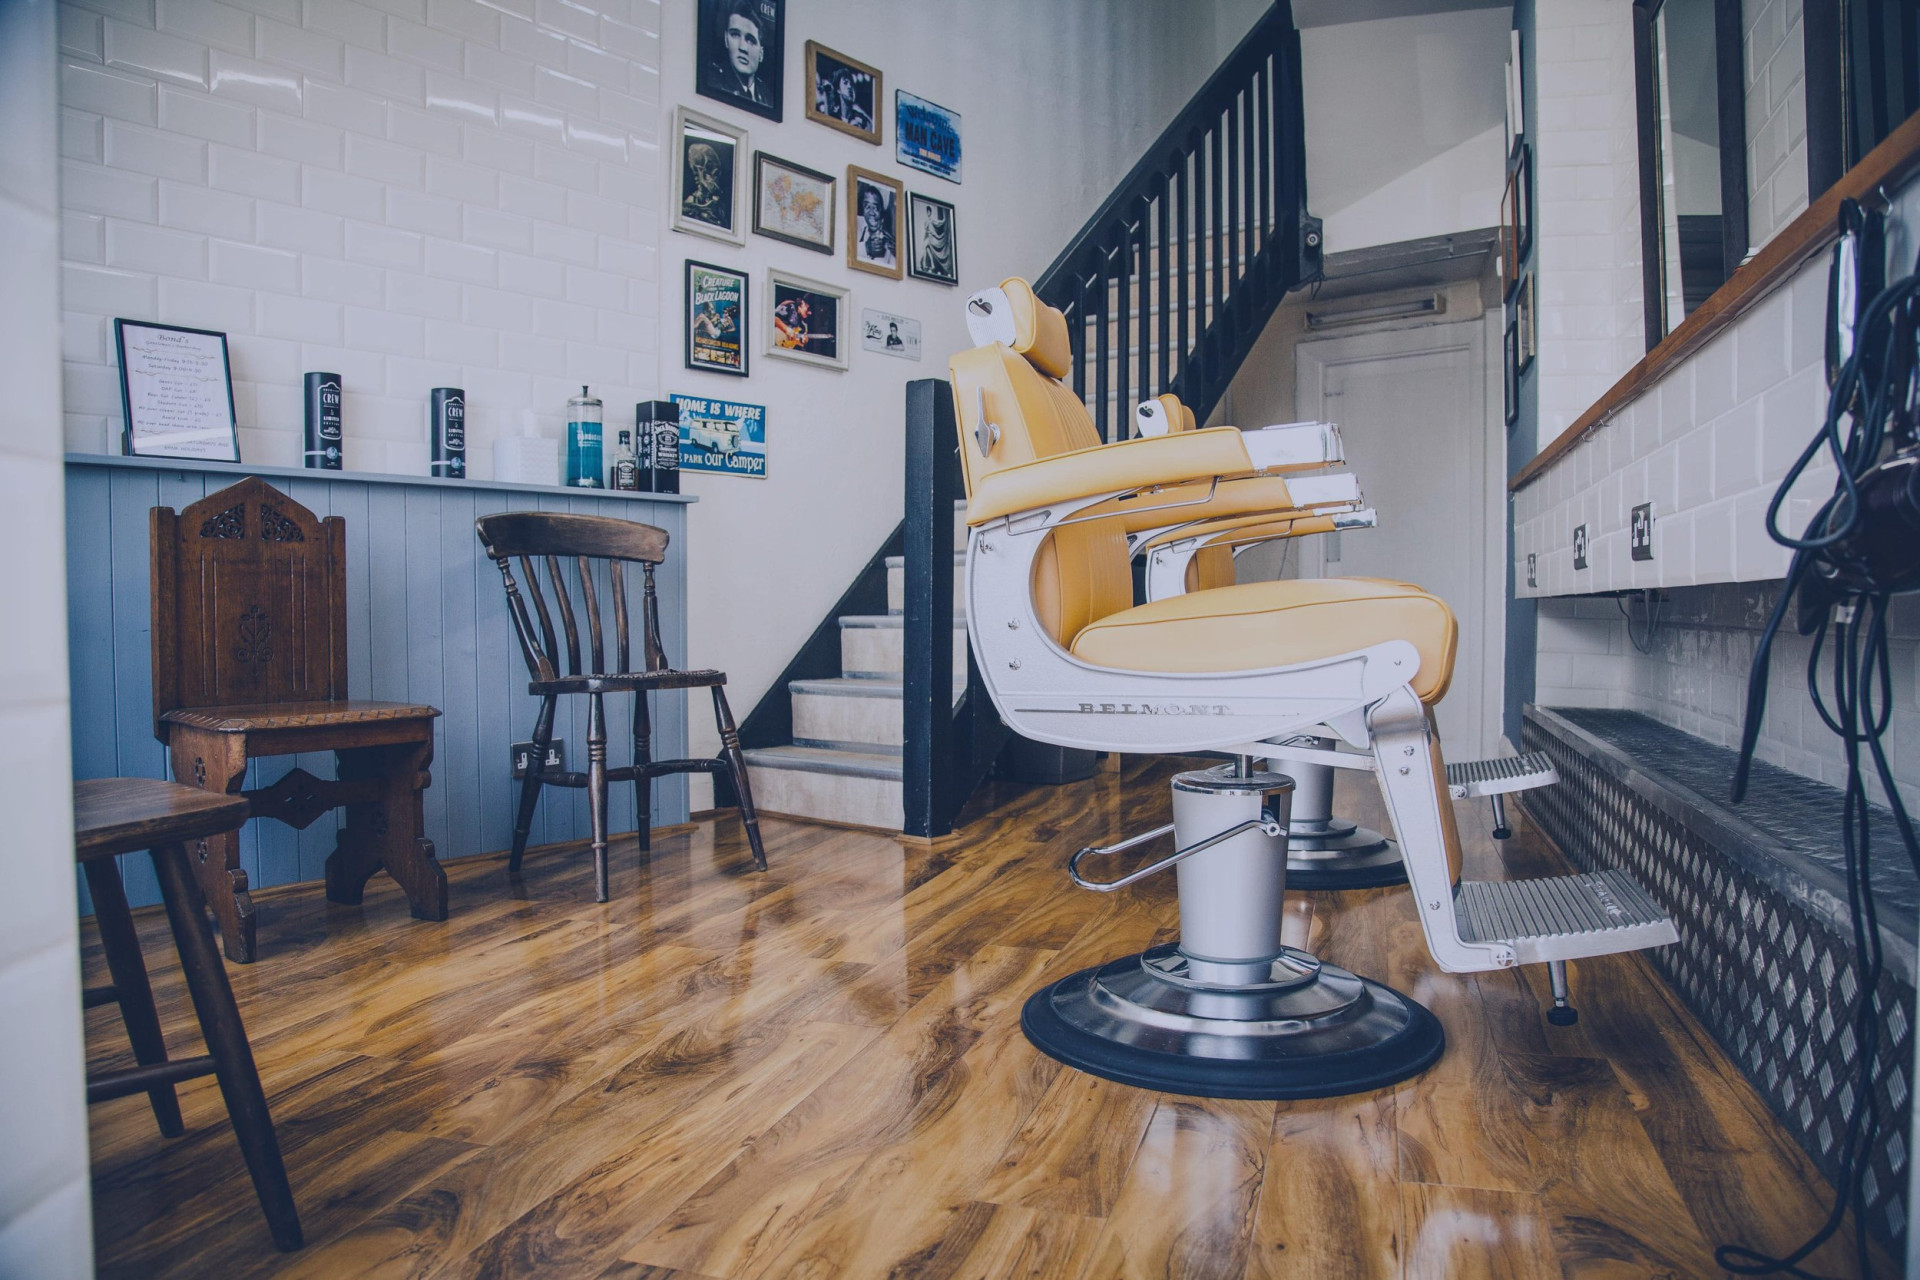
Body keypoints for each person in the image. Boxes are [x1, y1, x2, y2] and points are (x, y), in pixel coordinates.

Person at [705, 0, 772, 109]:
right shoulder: (714, 80)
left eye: (750, 40)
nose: (742, 48)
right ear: (726, 39)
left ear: (761, 53)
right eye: (735, 35)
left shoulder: (766, 96)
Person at [857, 185, 894, 265]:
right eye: (867, 207)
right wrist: (866, 248)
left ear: (881, 211)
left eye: (875, 208)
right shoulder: (854, 225)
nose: (871, 212)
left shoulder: (889, 241)